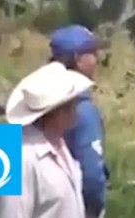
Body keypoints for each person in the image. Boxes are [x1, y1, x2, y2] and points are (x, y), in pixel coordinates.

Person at [0, 62, 94, 218]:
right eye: (71, 104)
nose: (76, 108)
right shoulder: (20, 157)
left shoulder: (60, 143)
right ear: (57, 112)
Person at [48, 25, 110, 218]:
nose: (97, 59)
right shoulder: (81, 112)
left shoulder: (36, 103)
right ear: (78, 59)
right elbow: (92, 178)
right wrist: (93, 210)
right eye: (92, 52)